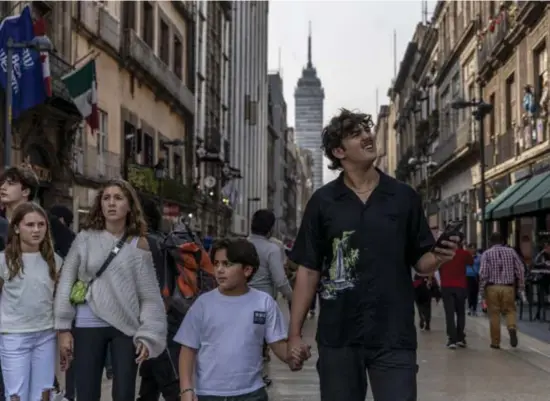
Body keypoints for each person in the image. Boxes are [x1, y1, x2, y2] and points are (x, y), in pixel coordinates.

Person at [286, 109, 457, 401]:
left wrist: (439, 256)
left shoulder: (403, 197)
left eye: (367, 130)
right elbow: (309, 271)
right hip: (338, 336)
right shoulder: (323, 202)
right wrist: (294, 333)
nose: (368, 136)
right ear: (339, 152)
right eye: (356, 134)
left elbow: (420, 262)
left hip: (393, 334)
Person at [54, 179, 167, 401]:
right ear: (100, 205)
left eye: (118, 198)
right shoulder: (84, 238)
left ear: (129, 205)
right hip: (88, 323)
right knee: (86, 394)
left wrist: (148, 334)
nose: (111, 203)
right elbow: (66, 281)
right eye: (106, 198)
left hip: (126, 326)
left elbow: (149, 295)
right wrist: (63, 328)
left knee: (125, 395)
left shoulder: (139, 243)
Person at [175, 238, 308, 401]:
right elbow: (188, 350)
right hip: (209, 393)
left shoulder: (264, 303)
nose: (219, 270)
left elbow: (278, 346)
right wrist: (186, 389)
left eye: (227, 264)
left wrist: (294, 356)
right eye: (216, 264)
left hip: (252, 393)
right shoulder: (203, 304)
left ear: (247, 270)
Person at [0, 202, 63, 401]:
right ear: (17, 228)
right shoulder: (3, 260)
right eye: (30, 225)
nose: (36, 230)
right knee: (16, 394)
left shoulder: (55, 260)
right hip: (14, 335)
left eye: (41, 224)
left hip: (45, 333)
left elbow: (58, 300)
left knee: (44, 393)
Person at [137, 196, 181, 401]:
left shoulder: (147, 243)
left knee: (165, 374)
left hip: (153, 316)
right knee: (152, 373)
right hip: (165, 312)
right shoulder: (161, 240)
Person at [0, 166, 75, 257]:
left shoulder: (46, 220)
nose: (2, 187)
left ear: (25, 191)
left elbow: (73, 253)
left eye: (10, 183)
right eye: (2, 183)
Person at [479, 232, 526, 349]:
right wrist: (521, 286)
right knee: (510, 310)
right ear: (503, 241)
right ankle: (511, 327)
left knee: (494, 314)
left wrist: (481, 291)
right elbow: (520, 269)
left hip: (492, 287)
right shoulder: (511, 252)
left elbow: (483, 273)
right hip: (508, 287)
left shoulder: (486, 254)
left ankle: (495, 342)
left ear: (490, 242)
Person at [439, 236, 473, 349]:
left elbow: (438, 267)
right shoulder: (464, 253)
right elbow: (471, 262)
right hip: (460, 286)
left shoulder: (443, 255)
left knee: (449, 314)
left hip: (446, 286)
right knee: (460, 312)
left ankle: (451, 339)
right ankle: (460, 337)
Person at [466, 243, 481, 316]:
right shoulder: (465, 256)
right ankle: (469, 307)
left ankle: (474, 309)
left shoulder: (479, 257)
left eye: (474, 248)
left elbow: (481, 265)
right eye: (471, 248)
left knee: (475, 293)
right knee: (469, 293)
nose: (472, 250)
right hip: (468, 276)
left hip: (476, 276)